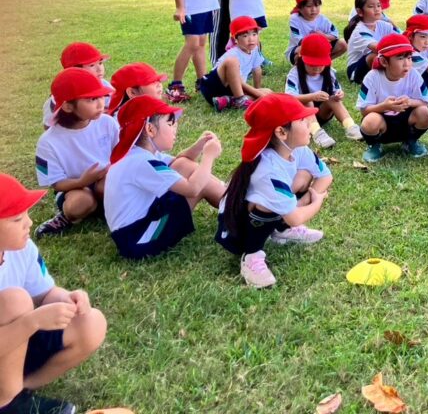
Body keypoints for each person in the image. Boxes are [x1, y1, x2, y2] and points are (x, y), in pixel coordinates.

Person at [0, 173, 106, 414]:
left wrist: (67, 299)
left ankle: (19, 392)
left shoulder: (22, 249)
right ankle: (8, 403)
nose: (29, 223)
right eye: (17, 219)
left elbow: (44, 293)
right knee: (15, 301)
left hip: (14, 348)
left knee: (91, 322)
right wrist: (33, 321)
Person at [215, 94, 328, 288]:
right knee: (267, 205)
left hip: (276, 209)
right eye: (301, 120)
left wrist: (300, 203)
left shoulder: (297, 148)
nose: (310, 122)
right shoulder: (268, 170)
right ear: (281, 132)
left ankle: (280, 230)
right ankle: (251, 255)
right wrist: (315, 202)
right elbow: (295, 217)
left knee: (304, 176)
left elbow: (325, 176)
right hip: (237, 228)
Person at [103, 96, 224, 260]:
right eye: (170, 123)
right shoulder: (142, 162)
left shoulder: (137, 154)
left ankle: (233, 198)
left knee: (184, 165)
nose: (176, 127)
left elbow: (180, 162)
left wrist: (198, 146)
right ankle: (243, 212)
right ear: (150, 129)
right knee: (200, 183)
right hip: (139, 239)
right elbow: (193, 188)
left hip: (132, 233)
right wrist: (209, 156)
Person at [34, 69, 118, 238]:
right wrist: (82, 181)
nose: (101, 104)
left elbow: (121, 156)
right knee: (79, 204)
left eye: (102, 96)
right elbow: (56, 183)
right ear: (67, 106)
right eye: (91, 99)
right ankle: (67, 217)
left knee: (109, 185)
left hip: (106, 179)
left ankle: (107, 207)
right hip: (74, 187)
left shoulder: (108, 123)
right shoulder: (48, 142)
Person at [356, 33, 428, 164]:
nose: (407, 64)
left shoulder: (413, 74)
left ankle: (411, 141)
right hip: (382, 123)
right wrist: (384, 106)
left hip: (405, 122)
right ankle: (374, 146)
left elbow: (425, 101)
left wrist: (410, 102)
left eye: (409, 58)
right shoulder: (372, 77)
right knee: (370, 121)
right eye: (400, 58)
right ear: (384, 61)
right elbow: (364, 110)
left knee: (424, 113)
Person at [284, 33, 362, 147]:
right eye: (312, 64)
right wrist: (311, 96)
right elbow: (289, 98)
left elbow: (336, 90)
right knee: (307, 101)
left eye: (321, 65)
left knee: (333, 99)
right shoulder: (294, 74)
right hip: (301, 116)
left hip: (322, 113)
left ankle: (351, 127)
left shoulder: (329, 73)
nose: (317, 68)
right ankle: (317, 133)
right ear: (301, 57)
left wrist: (339, 94)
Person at [197, 16, 271, 112]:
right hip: (213, 87)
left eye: (254, 34)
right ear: (235, 39)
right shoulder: (234, 53)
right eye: (245, 36)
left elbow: (257, 69)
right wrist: (257, 94)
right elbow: (238, 82)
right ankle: (240, 100)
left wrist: (258, 90)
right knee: (232, 61)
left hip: (231, 90)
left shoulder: (255, 49)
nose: (251, 39)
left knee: (268, 92)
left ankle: (227, 101)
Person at [41, 43, 111, 129]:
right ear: (74, 69)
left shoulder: (103, 84)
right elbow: (49, 128)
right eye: (92, 65)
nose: (99, 69)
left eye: (100, 63)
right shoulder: (61, 95)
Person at [343, 0, 397, 84]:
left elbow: (401, 38)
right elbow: (378, 48)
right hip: (356, 70)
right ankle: (385, 80)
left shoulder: (385, 25)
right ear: (360, 12)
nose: (377, 9)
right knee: (376, 56)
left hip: (380, 60)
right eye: (371, 6)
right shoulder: (359, 30)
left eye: (378, 5)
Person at [285, 0, 346, 65]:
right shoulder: (295, 19)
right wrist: (316, 39)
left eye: (317, 5)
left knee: (343, 44)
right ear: (299, 8)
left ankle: (322, 65)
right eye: (309, 6)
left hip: (320, 47)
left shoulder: (323, 19)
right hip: (299, 49)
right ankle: (300, 70)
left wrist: (323, 36)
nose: (313, 9)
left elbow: (335, 34)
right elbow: (299, 40)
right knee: (300, 51)